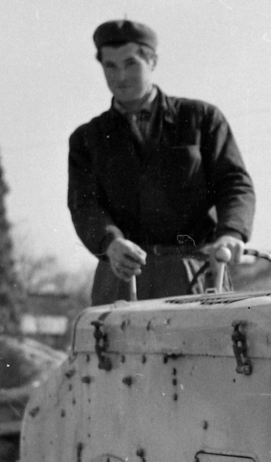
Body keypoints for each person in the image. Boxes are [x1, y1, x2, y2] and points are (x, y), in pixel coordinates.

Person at [67, 19, 256, 304]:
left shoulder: (201, 119)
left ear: (152, 61)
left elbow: (234, 184)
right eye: (110, 66)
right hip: (120, 275)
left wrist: (231, 233)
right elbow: (85, 206)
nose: (120, 76)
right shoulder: (87, 140)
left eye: (131, 64)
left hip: (195, 272)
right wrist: (111, 242)